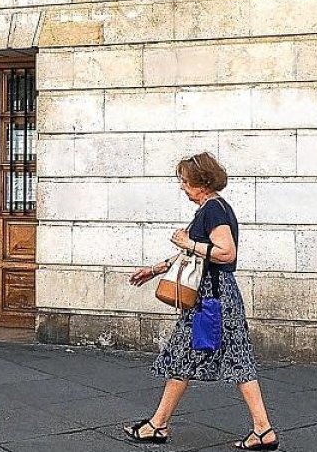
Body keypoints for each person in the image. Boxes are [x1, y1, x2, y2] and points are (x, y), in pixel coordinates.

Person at [124, 152, 279, 450]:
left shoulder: (214, 210)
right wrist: (155, 270)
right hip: (213, 295)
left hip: (212, 297)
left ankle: (260, 428)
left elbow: (226, 252)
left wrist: (187, 242)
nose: (182, 187)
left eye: (185, 181)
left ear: (202, 183)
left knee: (219, 357)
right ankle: (160, 424)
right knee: (198, 356)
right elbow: (193, 255)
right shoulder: (210, 209)